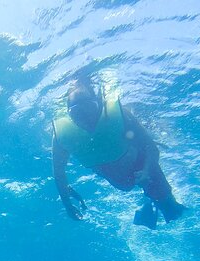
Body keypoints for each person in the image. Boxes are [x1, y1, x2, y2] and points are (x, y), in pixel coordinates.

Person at [51, 78, 186, 229]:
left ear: (100, 104)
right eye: (77, 113)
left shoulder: (119, 114)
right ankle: (149, 200)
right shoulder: (61, 136)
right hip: (121, 181)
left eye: (89, 108)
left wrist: (147, 170)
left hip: (141, 164)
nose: (85, 118)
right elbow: (59, 172)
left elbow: (151, 147)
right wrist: (67, 203)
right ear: (69, 115)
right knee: (128, 187)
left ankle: (154, 200)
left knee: (171, 210)